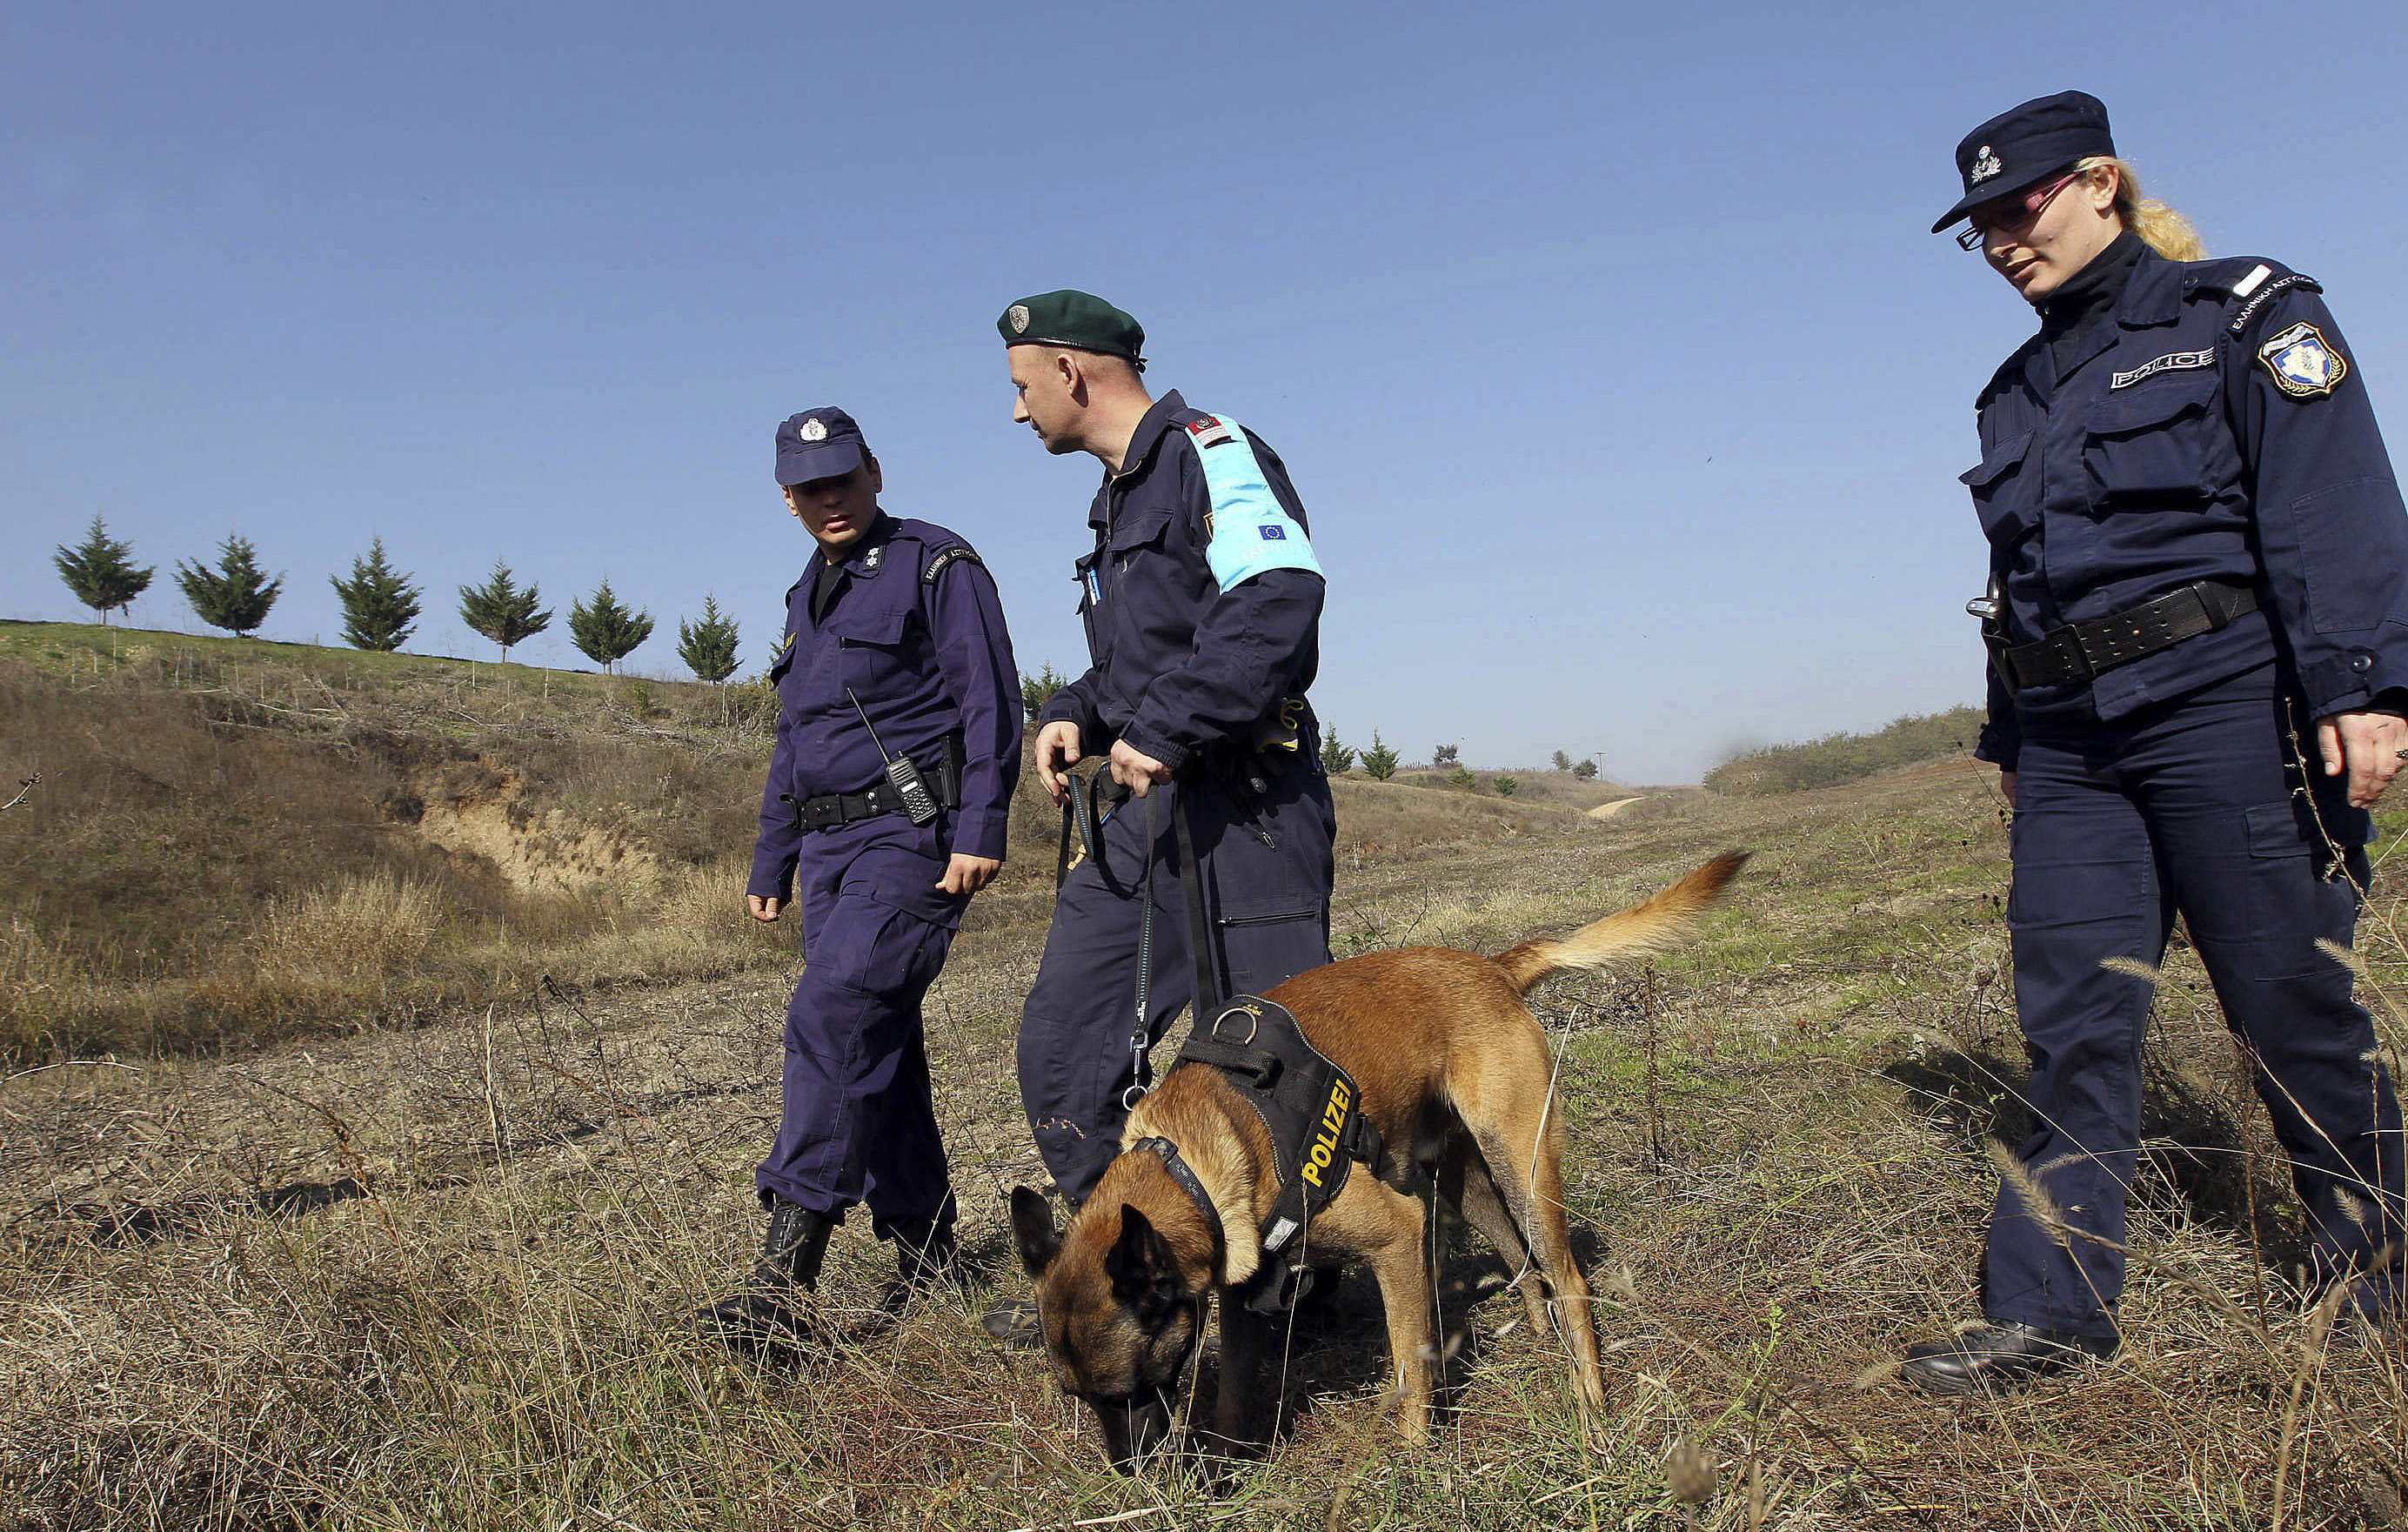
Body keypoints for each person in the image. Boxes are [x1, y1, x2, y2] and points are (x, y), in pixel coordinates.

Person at [1906, 90, 2408, 1396]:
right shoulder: (2011, 394)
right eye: (1983, 230)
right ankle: (2051, 1312)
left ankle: (2375, 1269)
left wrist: (2363, 685)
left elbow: (2331, 498)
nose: (2006, 240)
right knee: (2073, 1019)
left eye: (2022, 207)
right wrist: (2013, 733)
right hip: (2073, 747)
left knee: (2290, 1001)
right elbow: (2023, 580)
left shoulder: (2241, 313)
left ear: (2101, 182)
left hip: (2227, 705)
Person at [984, 290, 1337, 1343]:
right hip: (1146, 812)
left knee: (1262, 1063)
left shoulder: (1207, 452)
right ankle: (1152, 1264)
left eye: (1019, 388)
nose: (1014, 413)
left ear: (1073, 374)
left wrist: (1171, 721)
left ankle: (1287, 1288)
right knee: (1061, 1051)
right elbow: (1135, 663)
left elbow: (1279, 594)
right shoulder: (1114, 497)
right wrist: (1072, 713)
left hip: (1246, 808)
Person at [699, 406, 1022, 1357]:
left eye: (841, 478)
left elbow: (988, 698)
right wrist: (772, 857)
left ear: (873, 473)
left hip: (912, 837)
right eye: (808, 487)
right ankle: (926, 1249)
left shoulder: (934, 564)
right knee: (876, 1040)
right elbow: (795, 742)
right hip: (831, 853)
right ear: (785, 499)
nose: (827, 498)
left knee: (834, 1015)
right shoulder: (809, 593)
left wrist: (980, 828)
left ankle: (781, 1280)